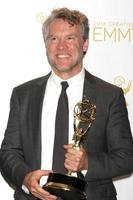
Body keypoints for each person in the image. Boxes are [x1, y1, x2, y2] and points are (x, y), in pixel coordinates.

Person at [0, 7, 133, 200]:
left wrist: (88, 162)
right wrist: (25, 178)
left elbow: (127, 157)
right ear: (46, 45)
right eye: (53, 39)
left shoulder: (109, 95)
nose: (61, 47)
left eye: (70, 38)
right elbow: (8, 153)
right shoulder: (23, 94)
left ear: (85, 43)